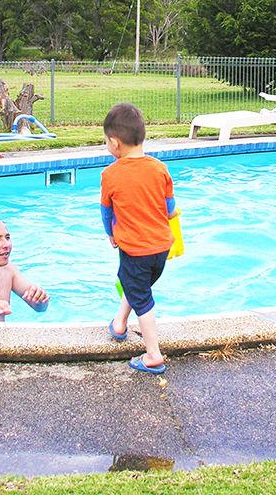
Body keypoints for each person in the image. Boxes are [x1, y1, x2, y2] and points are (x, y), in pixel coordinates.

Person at [100, 102, 177, 375]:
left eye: (106, 142)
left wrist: (110, 233)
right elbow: (170, 208)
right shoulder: (160, 169)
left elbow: (106, 211)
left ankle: (153, 354)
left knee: (142, 298)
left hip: (135, 250)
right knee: (135, 285)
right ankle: (119, 323)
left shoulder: (110, 174)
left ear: (115, 143)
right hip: (161, 248)